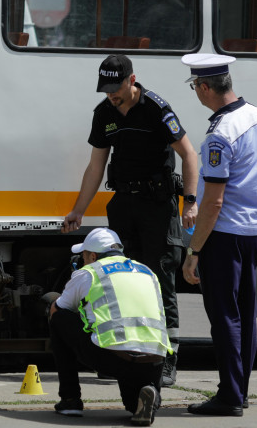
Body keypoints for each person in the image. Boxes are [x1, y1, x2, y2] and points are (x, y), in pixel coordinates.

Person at [62, 54, 198, 387]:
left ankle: (168, 359)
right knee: (122, 281)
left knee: (160, 280)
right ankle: (126, 357)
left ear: (131, 79)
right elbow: (96, 166)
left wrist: (190, 202)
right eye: (106, 89)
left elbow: (190, 155)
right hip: (124, 204)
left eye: (116, 88)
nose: (111, 95)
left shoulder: (156, 108)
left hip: (157, 206)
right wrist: (79, 209)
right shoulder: (104, 113)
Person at [180, 54, 257, 416]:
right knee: (245, 314)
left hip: (224, 235)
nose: (196, 93)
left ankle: (230, 396)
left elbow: (213, 202)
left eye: (195, 87)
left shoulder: (220, 134)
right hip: (252, 231)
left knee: (224, 317)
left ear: (205, 87)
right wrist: (256, 215)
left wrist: (194, 250)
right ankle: (241, 390)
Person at [50, 227, 172, 427]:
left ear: (92, 255)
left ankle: (70, 400)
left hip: (113, 357)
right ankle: (151, 393)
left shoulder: (89, 272)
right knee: (134, 406)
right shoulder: (147, 272)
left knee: (58, 318)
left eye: (83, 256)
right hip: (154, 361)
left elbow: (60, 308)